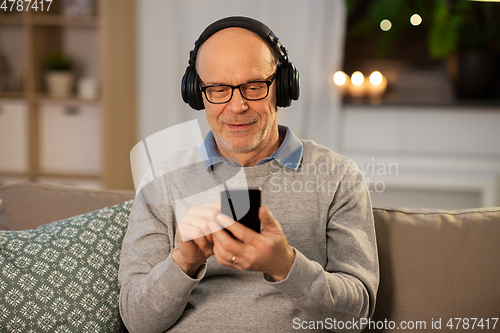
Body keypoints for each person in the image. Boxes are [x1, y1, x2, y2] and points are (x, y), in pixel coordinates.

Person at [119, 16, 379, 333]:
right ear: (196, 93)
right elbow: (136, 321)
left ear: (282, 87)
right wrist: (183, 263)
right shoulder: (163, 179)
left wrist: (285, 265)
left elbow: (357, 315)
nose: (237, 105)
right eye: (218, 89)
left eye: (254, 86)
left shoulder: (339, 177)